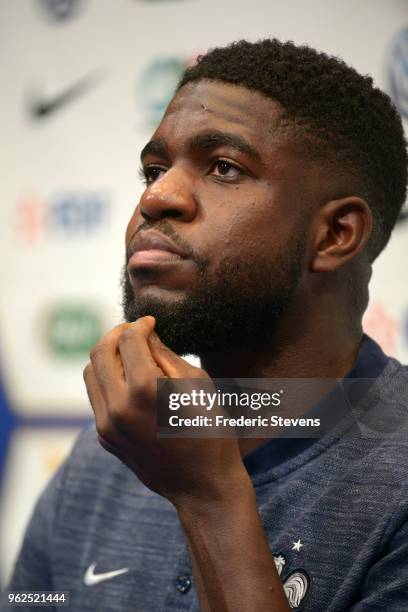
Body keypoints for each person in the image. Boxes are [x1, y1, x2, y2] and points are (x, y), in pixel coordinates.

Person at [3, 38, 408, 611]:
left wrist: (208, 498)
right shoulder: (101, 463)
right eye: (154, 169)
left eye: (224, 167)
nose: (158, 196)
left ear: (335, 235)